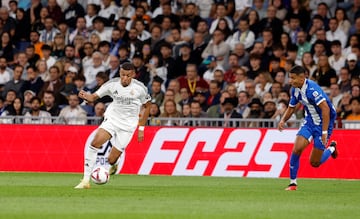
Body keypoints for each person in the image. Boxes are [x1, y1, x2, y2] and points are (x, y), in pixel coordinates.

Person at [75, 63, 151, 189]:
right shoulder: (112, 84)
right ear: (119, 73)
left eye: (128, 75)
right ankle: (85, 180)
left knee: (111, 159)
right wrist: (87, 97)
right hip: (112, 119)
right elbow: (94, 96)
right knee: (94, 143)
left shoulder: (140, 88)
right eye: (122, 75)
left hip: (128, 126)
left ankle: (114, 164)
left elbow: (147, 106)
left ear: (133, 74)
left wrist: (141, 128)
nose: (125, 78)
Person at [278, 65, 338, 191]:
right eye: (290, 78)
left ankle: (332, 148)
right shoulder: (294, 89)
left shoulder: (312, 89)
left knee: (314, 163)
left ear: (302, 78)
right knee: (297, 149)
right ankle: (293, 183)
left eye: (293, 78)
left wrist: (325, 132)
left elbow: (326, 109)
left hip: (324, 123)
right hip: (309, 121)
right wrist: (283, 120)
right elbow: (291, 107)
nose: (290, 81)